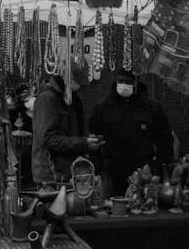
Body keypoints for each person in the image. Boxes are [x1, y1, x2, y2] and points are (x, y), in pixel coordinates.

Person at [89, 70, 174, 198]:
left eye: (128, 82)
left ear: (136, 83)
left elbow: (165, 140)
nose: (124, 85)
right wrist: (98, 169)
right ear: (116, 81)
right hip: (111, 174)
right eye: (121, 81)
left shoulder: (152, 109)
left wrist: (157, 167)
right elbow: (93, 139)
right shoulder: (102, 108)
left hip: (143, 174)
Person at [32, 60, 103, 185]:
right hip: (51, 175)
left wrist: (87, 140)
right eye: (78, 82)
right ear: (67, 78)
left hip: (69, 172)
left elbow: (73, 132)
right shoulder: (47, 99)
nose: (80, 87)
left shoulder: (73, 98)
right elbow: (48, 139)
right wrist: (83, 143)